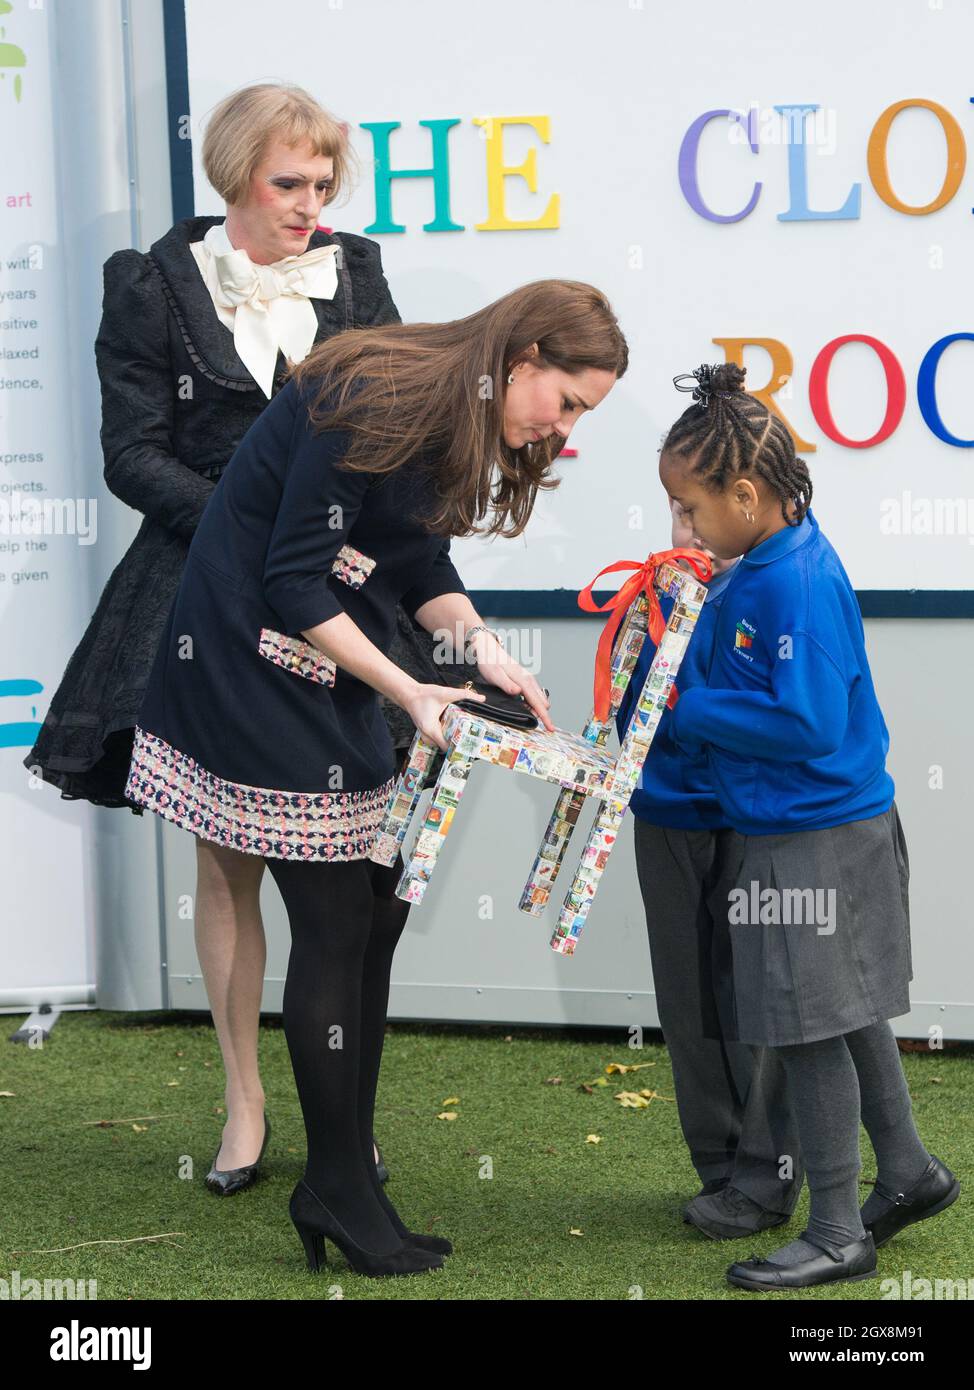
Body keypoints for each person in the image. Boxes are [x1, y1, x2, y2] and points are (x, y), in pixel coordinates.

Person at [124, 280, 628, 1276]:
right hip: (247, 661)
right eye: (565, 401)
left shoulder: (448, 409)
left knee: (377, 908)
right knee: (339, 918)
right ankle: (338, 1187)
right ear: (524, 355)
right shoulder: (367, 390)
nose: (562, 430)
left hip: (325, 665)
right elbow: (293, 577)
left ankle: (342, 1171)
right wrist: (410, 690)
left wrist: (481, 650)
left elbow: (412, 555)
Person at [21, 81, 408, 1189]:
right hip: (198, 595)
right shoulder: (148, 285)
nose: (310, 205)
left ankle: (342, 1125)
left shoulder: (359, 273)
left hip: (337, 590)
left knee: (351, 878)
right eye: (290, 184)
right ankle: (244, 1106)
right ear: (235, 176)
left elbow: (386, 428)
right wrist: (246, 527)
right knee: (225, 858)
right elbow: (130, 456)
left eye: (324, 184)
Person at [658, 361, 959, 1291]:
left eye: (691, 508)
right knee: (845, 1009)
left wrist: (680, 704)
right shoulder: (773, 561)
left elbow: (807, 723)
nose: (684, 527)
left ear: (746, 494)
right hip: (824, 829)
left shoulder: (788, 583)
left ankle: (837, 1229)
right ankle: (907, 1173)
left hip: (810, 840)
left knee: (805, 1030)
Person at [616, 499, 805, 1240]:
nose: (690, 531)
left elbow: (775, 712)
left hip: (752, 816)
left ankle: (769, 1173)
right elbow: (631, 703)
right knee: (689, 999)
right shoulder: (656, 590)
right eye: (677, 511)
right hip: (667, 814)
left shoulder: (770, 588)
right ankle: (721, 1170)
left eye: (703, 511)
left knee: (760, 994)